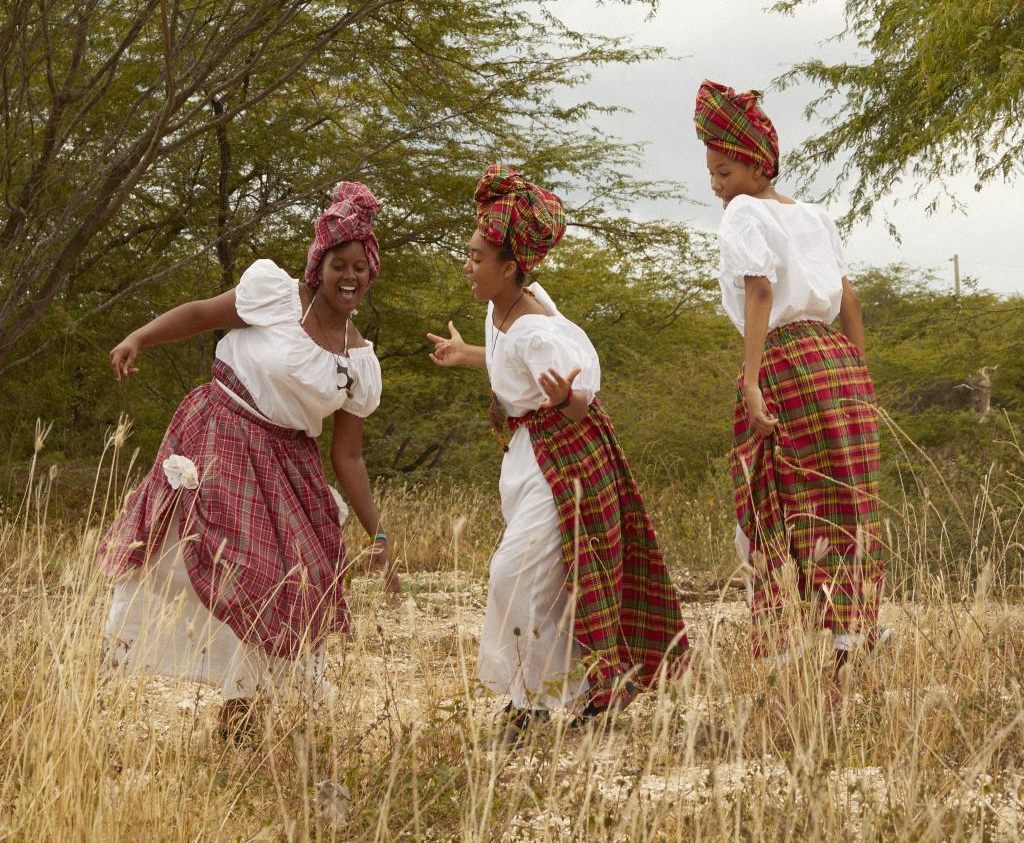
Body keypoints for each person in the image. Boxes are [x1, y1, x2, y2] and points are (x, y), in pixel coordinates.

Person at [98, 181, 400, 736]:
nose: (350, 277)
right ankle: (128, 664)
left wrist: (377, 534)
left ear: (371, 273)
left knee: (285, 584)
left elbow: (349, 455)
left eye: (360, 267)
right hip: (221, 435)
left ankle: (243, 715)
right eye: (339, 265)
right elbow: (199, 315)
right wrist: (139, 338)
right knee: (208, 562)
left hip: (289, 466)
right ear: (318, 267)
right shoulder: (275, 297)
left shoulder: (360, 362)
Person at [427, 165, 688, 740]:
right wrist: (467, 352)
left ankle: (535, 701)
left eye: (477, 258)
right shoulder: (503, 309)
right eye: (468, 254)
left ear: (511, 267)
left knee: (515, 574)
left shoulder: (536, 330)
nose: (468, 266)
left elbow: (578, 402)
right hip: (528, 453)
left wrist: (567, 396)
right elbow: (506, 362)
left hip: (563, 455)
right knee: (544, 580)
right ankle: (563, 697)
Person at [694, 79, 884, 679]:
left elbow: (759, 289)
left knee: (770, 497)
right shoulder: (816, 214)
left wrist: (751, 381)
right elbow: (847, 297)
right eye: (713, 175)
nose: (717, 187)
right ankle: (851, 643)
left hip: (784, 362)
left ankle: (782, 649)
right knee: (842, 501)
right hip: (835, 361)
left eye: (724, 172)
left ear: (754, 163)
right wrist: (857, 371)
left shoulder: (743, 215)